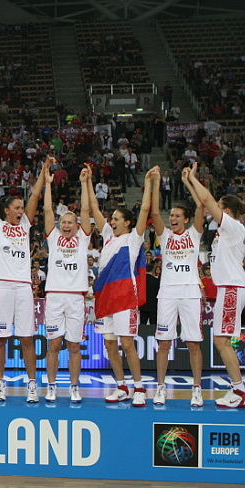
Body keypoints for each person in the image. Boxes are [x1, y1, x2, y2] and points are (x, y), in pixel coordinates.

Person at [0, 158, 47, 402]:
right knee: (0, 339)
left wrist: (44, 170)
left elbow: (36, 194)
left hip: (23, 287)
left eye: (22, 207)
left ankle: (32, 385)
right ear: (7, 210)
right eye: (17, 208)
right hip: (2, 286)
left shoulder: (25, 224)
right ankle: (0, 384)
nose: (21, 211)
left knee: (27, 339)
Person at [91, 166, 155, 407]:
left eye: (117, 219)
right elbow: (94, 209)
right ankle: (121, 386)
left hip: (125, 298)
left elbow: (145, 209)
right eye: (112, 219)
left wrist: (148, 183)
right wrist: (87, 182)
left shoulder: (133, 239)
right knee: (110, 344)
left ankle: (139, 388)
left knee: (127, 344)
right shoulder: (108, 237)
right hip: (105, 299)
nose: (112, 221)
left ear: (127, 222)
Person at [185, 167, 245, 408]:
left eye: (219, 207)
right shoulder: (225, 230)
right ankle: (238, 388)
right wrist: (188, 183)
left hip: (231, 288)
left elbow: (208, 200)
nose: (214, 211)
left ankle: (239, 390)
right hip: (228, 288)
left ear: (226, 211)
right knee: (222, 340)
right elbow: (204, 203)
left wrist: (193, 177)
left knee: (222, 341)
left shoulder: (233, 226)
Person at [151, 164, 205, 406]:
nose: (172, 218)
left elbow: (201, 206)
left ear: (186, 219)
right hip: (168, 293)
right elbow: (154, 212)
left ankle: (197, 389)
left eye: (176, 216)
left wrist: (188, 181)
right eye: (171, 215)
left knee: (193, 343)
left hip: (190, 292)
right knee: (164, 343)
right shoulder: (165, 236)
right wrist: (155, 183)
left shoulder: (194, 234)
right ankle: (160, 387)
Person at [43, 163, 92, 403]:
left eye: (70, 222)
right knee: (53, 345)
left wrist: (84, 183)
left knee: (74, 346)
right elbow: (47, 210)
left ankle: (74, 387)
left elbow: (86, 209)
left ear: (77, 225)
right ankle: (51, 386)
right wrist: (48, 184)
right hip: (54, 296)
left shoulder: (83, 238)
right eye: (63, 222)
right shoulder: (53, 237)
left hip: (75, 297)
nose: (66, 225)